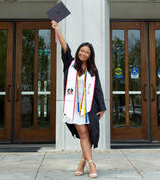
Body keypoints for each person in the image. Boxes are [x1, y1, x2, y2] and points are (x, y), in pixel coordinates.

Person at [51, 21, 106, 178]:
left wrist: (102, 106)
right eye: (81, 50)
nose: (83, 53)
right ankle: (92, 165)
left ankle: (82, 162)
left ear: (90, 55)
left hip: (90, 107)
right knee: (83, 135)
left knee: (89, 135)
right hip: (73, 107)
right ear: (78, 52)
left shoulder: (92, 70)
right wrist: (57, 30)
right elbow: (64, 47)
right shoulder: (70, 64)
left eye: (86, 52)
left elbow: (98, 89)